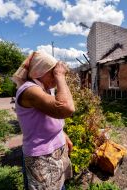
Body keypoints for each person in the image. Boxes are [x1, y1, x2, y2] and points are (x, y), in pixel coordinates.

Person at [12, 50, 75, 190]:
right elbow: (67, 109)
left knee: (60, 187)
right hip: (41, 158)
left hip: (56, 152)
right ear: (39, 72)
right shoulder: (30, 90)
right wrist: (60, 75)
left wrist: (62, 134)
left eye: (55, 72)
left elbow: (47, 120)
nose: (54, 75)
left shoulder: (45, 88)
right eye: (52, 72)